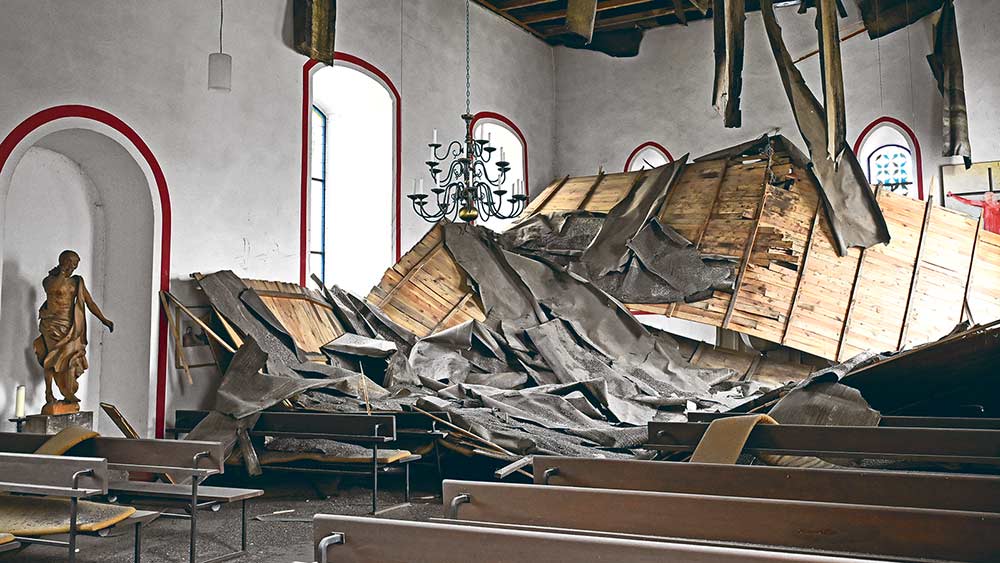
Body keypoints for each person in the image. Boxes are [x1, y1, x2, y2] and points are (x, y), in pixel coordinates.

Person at [32, 250, 114, 412]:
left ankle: (67, 392)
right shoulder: (49, 280)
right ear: (63, 261)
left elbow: (89, 302)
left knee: (70, 359)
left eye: (76, 263)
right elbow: (54, 288)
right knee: (50, 358)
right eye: (71, 262)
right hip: (52, 325)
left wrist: (103, 319)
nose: (74, 266)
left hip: (71, 327)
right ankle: (49, 393)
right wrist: (61, 273)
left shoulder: (77, 282)